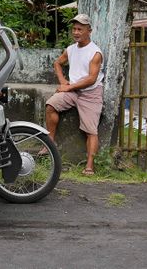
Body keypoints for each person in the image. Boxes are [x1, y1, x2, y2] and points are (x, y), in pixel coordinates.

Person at [44, 14, 104, 176]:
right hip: (72, 90)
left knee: (91, 130)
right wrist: (63, 82)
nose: (76, 32)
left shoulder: (95, 53)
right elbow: (57, 63)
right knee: (51, 105)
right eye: (74, 29)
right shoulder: (70, 49)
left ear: (89, 31)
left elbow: (91, 79)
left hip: (90, 93)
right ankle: (49, 142)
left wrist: (68, 87)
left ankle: (90, 166)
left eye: (80, 29)